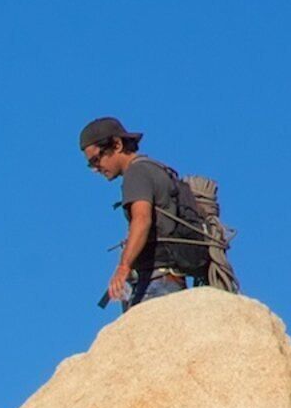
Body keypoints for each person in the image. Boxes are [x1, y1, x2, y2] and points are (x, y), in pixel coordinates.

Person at [82, 116, 208, 308]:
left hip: (155, 283)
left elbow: (141, 219)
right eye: (91, 165)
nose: (96, 168)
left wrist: (123, 267)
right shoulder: (156, 169)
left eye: (96, 159)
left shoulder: (136, 173)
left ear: (116, 145)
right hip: (171, 281)